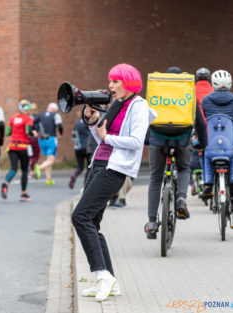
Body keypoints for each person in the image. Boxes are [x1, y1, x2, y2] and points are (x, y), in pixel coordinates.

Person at [71, 63, 157, 302]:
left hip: (115, 169)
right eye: (110, 81)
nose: (110, 86)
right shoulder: (117, 105)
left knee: (80, 217)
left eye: (115, 81)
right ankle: (109, 279)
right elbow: (101, 140)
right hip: (98, 163)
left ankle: (102, 276)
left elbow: (136, 141)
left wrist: (107, 136)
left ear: (129, 82)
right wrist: (94, 122)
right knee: (93, 222)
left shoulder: (139, 106)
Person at [144, 67, 208, 239]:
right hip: (182, 138)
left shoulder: (157, 93)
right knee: (184, 168)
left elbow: (145, 117)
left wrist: (145, 138)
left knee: (156, 177)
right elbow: (200, 122)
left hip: (157, 137)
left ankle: (151, 223)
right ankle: (180, 198)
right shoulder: (187, 93)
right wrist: (203, 143)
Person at [201, 70, 233, 228]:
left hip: (212, 146)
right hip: (230, 147)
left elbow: (204, 122)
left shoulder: (206, 100)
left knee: (205, 152)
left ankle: (207, 184)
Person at [0, 99, 35, 201]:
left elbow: (7, 132)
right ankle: (23, 193)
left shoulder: (13, 118)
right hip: (23, 147)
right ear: (27, 108)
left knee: (13, 169)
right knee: (25, 170)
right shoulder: (28, 119)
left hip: (12, 147)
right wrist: (34, 133)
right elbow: (28, 131)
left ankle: (6, 183)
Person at [34, 102, 63, 185]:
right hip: (51, 138)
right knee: (51, 160)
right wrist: (60, 133)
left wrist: (35, 131)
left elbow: (33, 122)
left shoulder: (40, 115)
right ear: (55, 110)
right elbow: (59, 125)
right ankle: (39, 168)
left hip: (41, 139)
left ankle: (48, 178)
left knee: (48, 158)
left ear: (48, 108)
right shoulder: (56, 115)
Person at [69, 109, 89, 189]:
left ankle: (74, 175)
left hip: (78, 148)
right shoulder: (88, 122)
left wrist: (77, 144)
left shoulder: (76, 123)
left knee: (80, 167)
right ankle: (84, 185)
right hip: (87, 147)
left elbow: (73, 136)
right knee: (89, 168)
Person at [28, 102, 41, 179]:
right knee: (35, 156)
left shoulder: (29, 117)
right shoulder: (37, 117)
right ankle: (31, 170)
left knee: (30, 155)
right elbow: (34, 127)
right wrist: (34, 131)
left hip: (28, 138)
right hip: (34, 138)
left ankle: (30, 171)